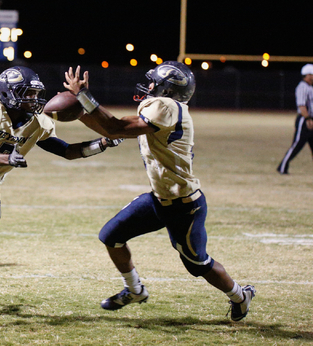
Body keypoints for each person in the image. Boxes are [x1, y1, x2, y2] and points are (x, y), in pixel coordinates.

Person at [0, 66, 122, 330]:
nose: (33, 99)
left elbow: (67, 151)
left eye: (35, 93)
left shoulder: (38, 123)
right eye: (26, 93)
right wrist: (7, 158)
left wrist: (102, 143)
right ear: (8, 93)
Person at [63, 61, 256, 322]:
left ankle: (239, 296)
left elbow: (116, 127)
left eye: (154, 82)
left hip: (184, 205)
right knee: (111, 236)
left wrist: (83, 98)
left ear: (167, 89)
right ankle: (135, 290)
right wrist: (78, 111)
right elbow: (114, 126)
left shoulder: (168, 107)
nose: (149, 85)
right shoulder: (166, 110)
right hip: (159, 199)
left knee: (197, 265)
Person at [277, 64, 313, 174]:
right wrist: (307, 119)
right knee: (297, 145)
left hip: (310, 119)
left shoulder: (310, 87)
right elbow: (301, 105)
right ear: (307, 75)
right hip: (304, 120)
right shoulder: (302, 87)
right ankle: (282, 167)